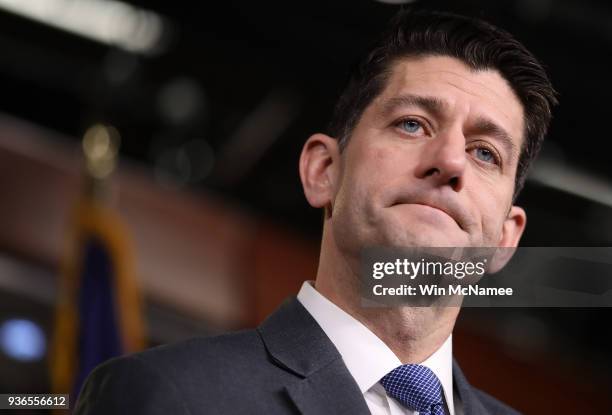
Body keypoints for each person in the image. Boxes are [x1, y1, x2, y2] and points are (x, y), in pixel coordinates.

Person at [74, 8, 556, 415]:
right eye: (413, 124)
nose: (450, 161)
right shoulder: (170, 396)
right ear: (323, 170)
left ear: (506, 238)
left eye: (485, 152)